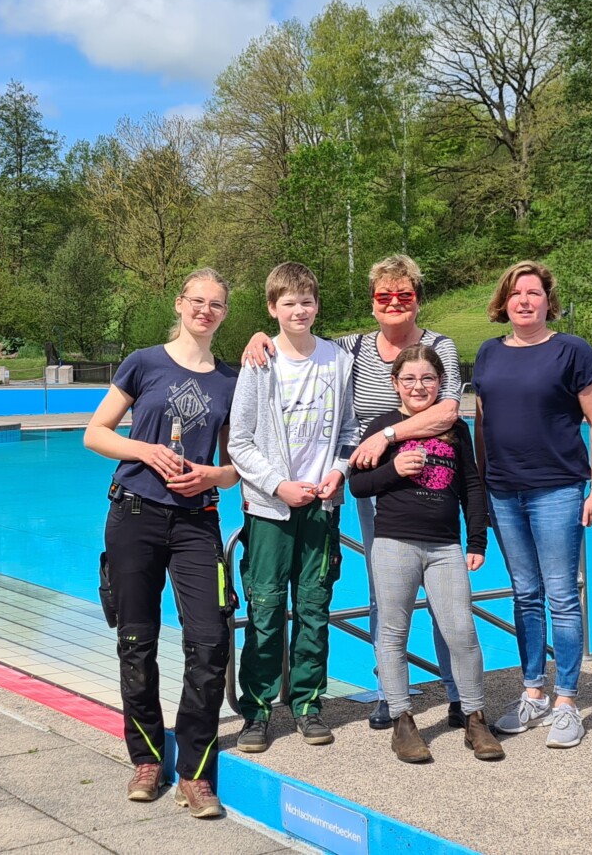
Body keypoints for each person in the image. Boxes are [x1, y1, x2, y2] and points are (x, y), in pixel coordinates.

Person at [243, 254, 468, 731]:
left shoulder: (439, 347)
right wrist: (259, 337)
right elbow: (298, 337)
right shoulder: (352, 348)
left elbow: (448, 414)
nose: (393, 304)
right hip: (372, 488)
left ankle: (458, 694)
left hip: (433, 485)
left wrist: (384, 437)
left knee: (446, 596)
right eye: (384, 296)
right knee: (383, 592)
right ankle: (391, 693)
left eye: (404, 295)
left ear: (417, 301)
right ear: (372, 304)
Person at [83, 268, 241, 818]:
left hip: (197, 521)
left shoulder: (231, 378)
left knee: (209, 642)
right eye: (197, 301)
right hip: (134, 516)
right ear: (179, 304)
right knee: (137, 642)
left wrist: (211, 476)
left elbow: (236, 464)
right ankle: (148, 758)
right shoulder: (143, 362)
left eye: (215, 304)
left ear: (224, 312)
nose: (205, 310)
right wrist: (144, 451)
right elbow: (95, 432)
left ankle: (196, 774)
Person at [474, 260, 592, 750]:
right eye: (516, 293)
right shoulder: (488, 354)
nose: (525, 301)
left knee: (561, 596)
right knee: (524, 593)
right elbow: (482, 423)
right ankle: (532, 690)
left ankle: (567, 700)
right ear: (504, 302)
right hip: (504, 490)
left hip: (557, 488)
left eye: (533, 292)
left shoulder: (571, 351)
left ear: (547, 300)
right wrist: (481, 486)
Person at [227, 263, 361, 754]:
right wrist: (278, 485)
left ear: (317, 305)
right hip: (269, 510)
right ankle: (257, 711)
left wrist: (338, 472)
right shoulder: (258, 363)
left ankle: (307, 705)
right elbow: (239, 443)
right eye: (289, 303)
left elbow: (349, 431)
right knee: (265, 611)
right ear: (272, 309)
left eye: (306, 301)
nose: (299, 310)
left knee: (313, 608)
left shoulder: (337, 360)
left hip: (321, 508)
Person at [349, 345, 504, 764]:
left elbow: (472, 485)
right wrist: (393, 471)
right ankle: (402, 721)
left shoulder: (455, 429)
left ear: (440, 383)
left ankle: (474, 718)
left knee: (462, 634)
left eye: (428, 379)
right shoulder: (382, 427)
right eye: (409, 379)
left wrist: (476, 540)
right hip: (395, 542)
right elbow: (358, 487)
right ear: (395, 383)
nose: (419, 387)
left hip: (444, 546)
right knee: (393, 635)